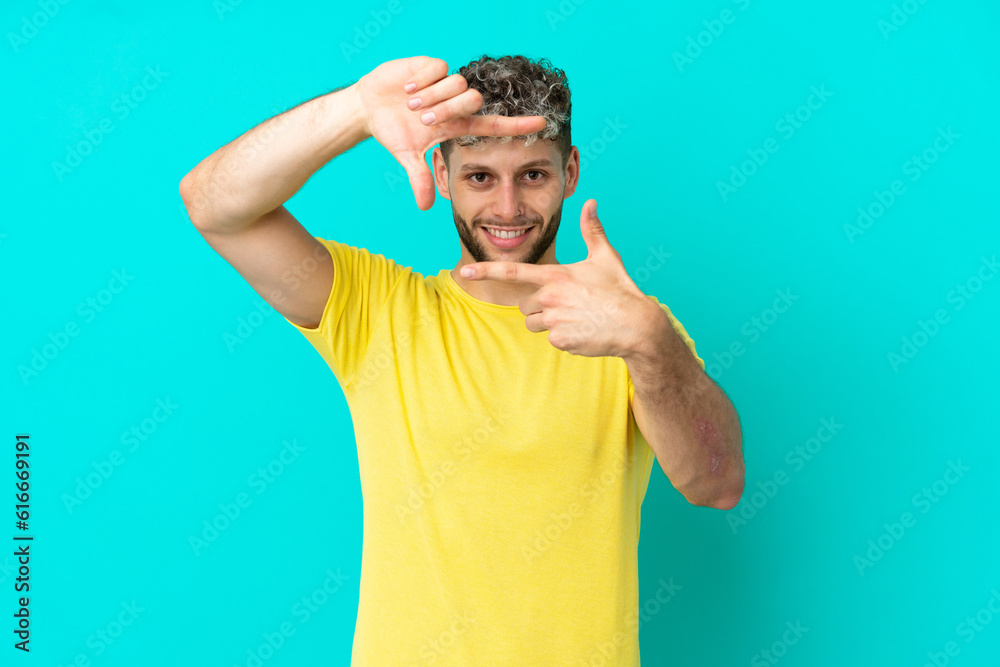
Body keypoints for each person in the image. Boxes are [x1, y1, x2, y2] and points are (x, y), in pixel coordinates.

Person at [180, 54, 744, 666]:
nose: (507, 207)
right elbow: (215, 207)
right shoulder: (376, 311)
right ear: (441, 175)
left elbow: (717, 483)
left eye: (532, 174)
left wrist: (652, 344)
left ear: (571, 171)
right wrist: (355, 110)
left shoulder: (632, 328)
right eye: (479, 177)